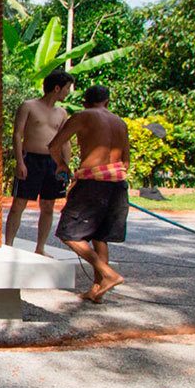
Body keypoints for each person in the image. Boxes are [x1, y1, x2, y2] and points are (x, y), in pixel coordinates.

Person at [47, 84, 131, 303]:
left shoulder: (83, 116)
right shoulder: (120, 122)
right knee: (99, 236)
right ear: (108, 102)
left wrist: (62, 166)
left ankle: (108, 273)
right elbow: (127, 161)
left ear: (85, 101)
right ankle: (96, 291)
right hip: (118, 183)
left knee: (69, 233)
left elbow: (54, 146)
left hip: (93, 183)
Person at [6, 69, 74, 254]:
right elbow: (17, 134)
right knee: (19, 204)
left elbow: (65, 142)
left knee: (48, 206)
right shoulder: (29, 106)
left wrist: (65, 166)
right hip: (31, 159)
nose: (68, 92)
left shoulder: (61, 112)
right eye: (67, 88)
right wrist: (20, 162)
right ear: (57, 88)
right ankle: (9, 245)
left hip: (53, 162)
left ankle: (40, 247)